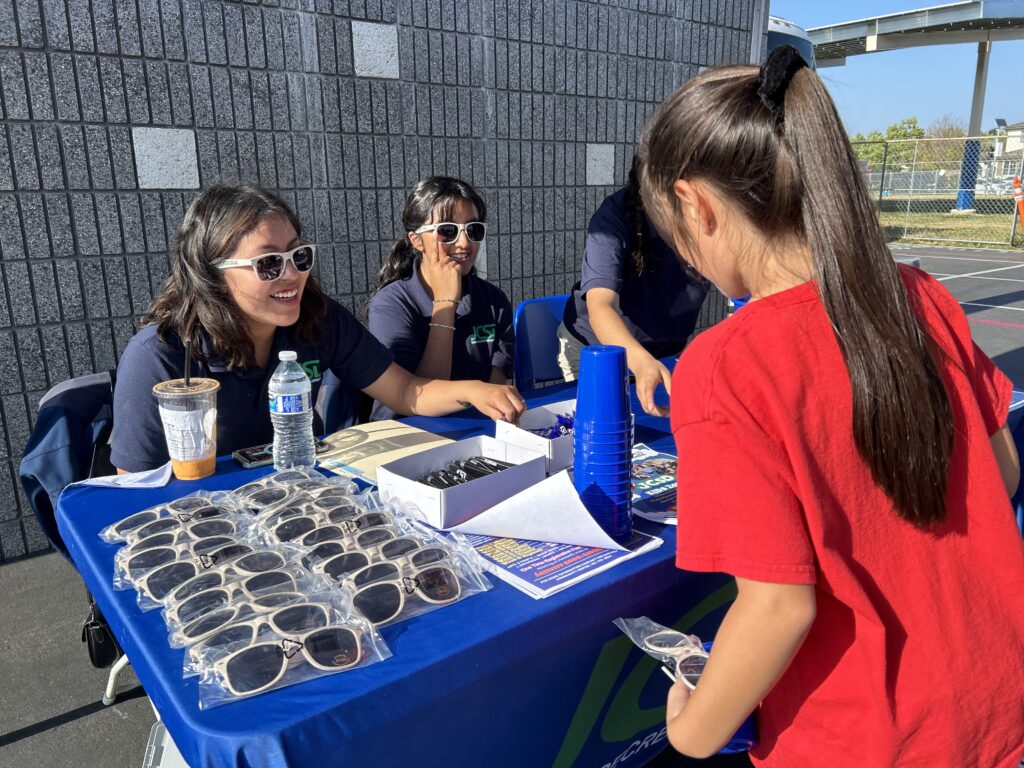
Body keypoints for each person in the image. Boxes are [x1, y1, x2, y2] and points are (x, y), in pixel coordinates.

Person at [638, 47, 1024, 766]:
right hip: (992, 694)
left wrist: (691, 732)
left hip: (860, 734)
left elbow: (780, 606)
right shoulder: (923, 295)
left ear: (697, 204)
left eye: (675, 235)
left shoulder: (723, 367)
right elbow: (998, 476)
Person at [111, 184, 524, 473]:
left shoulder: (318, 318)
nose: (292, 276)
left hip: (298, 501)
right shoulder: (161, 356)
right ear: (213, 275)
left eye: (299, 256)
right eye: (269, 263)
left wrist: (475, 391)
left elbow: (405, 391)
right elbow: (135, 487)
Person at [558, 157, 708, 417]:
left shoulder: (709, 216)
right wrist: (639, 362)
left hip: (666, 353)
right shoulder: (613, 219)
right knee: (606, 434)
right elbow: (601, 306)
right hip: (598, 352)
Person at [367, 177, 514, 420]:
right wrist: (445, 303)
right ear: (416, 240)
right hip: (408, 435)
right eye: (447, 231)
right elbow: (417, 398)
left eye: (473, 229)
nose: (464, 243)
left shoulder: (492, 300)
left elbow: (495, 390)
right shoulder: (391, 305)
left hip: (472, 435)